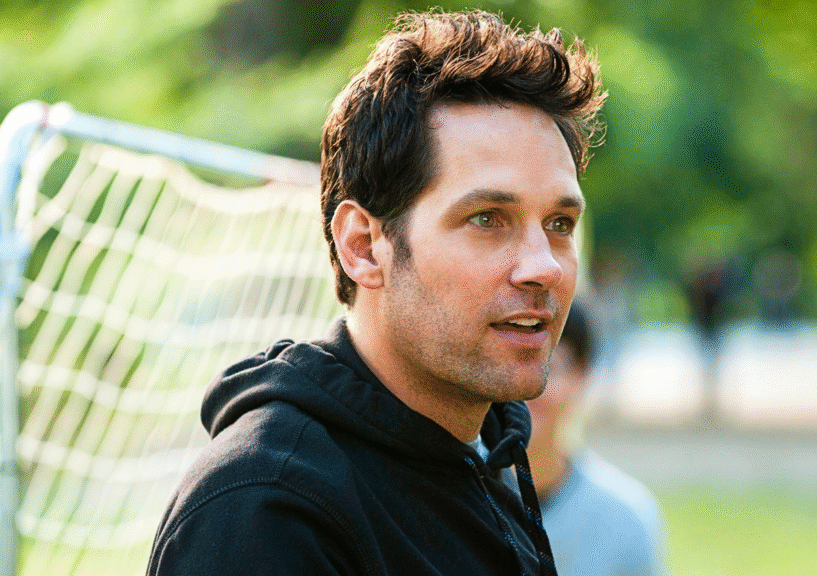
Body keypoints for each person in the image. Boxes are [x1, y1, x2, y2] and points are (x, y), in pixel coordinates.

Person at [146, 8, 605, 576]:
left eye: (559, 224)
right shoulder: (266, 514)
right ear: (363, 246)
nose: (543, 267)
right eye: (488, 219)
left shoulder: (482, 474)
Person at [527, 302, 669, 576]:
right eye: (509, 367)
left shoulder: (626, 520)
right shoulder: (450, 503)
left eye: (546, 368)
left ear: (582, 375)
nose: (525, 389)